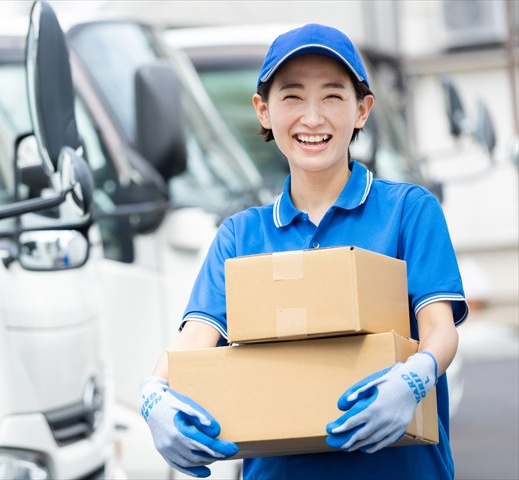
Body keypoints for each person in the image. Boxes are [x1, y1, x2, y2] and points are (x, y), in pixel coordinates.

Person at [140, 23, 468, 480]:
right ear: (263, 111)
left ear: (362, 110)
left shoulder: (408, 212)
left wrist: (413, 379)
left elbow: (441, 331)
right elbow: (193, 342)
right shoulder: (241, 236)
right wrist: (155, 394)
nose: (312, 118)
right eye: (292, 97)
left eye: (333, 96)